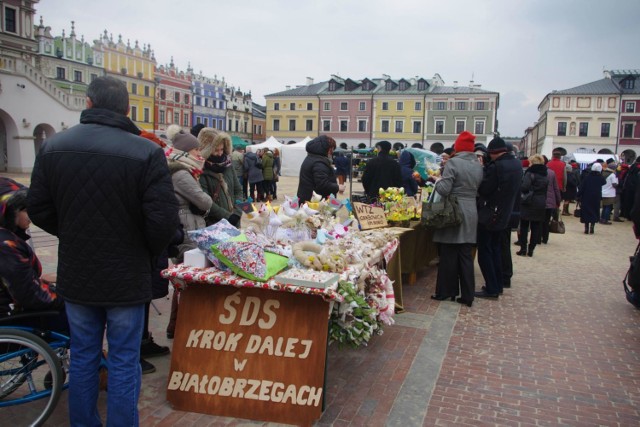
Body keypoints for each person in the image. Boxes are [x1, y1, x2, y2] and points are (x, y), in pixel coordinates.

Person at [27, 76, 180, 426]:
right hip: (126, 275)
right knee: (124, 359)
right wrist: (140, 248)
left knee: (83, 356)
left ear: (89, 104)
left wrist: (75, 233)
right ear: (126, 109)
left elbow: (38, 208)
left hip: (79, 271)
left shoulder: (54, 146)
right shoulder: (146, 151)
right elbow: (162, 220)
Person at [165, 125, 213, 340]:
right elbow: (204, 200)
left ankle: (177, 326)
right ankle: (186, 329)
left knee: (184, 280)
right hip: (187, 227)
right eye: (196, 151)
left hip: (187, 223)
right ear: (185, 152)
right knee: (188, 280)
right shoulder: (182, 173)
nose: (199, 155)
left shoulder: (182, 169)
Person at [1, 180, 66, 332]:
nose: (31, 215)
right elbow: (31, 295)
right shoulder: (6, 245)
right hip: (9, 319)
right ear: (8, 211)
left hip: (10, 311)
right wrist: (65, 298)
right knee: (81, 316)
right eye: (24, 210)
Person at [431, 131, 483, 307]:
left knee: (448, 253)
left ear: (458, 147)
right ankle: (468, 295)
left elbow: (445, 189)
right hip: (471, 210)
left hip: (453, 209)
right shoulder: (477, 164)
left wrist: (438, 180)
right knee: (465, 254)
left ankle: (446, 291)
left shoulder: (453, 162)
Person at [475, 136, 522, 299]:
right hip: (504, 213)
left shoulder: (496, 167)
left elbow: (485, 189)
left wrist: (482, 170)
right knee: (496, 249)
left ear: (494, 153)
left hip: (491, 214)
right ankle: (497, 284)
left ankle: (492, 288)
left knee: (485, 252)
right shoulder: (516, 164)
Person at [197, 128, 244, 227]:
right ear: (207, 150)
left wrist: (237, 213)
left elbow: (238, 190)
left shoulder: (228, 165)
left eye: (222, 149)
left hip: (234, 222)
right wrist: (227, 216)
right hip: (216, 225)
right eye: (216, 150)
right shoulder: (201, 171)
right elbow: (206, 201)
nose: (220, 153)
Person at [516, 154, 548, 257]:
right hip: (541, 201)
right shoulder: (545, 174)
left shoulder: (530, 173)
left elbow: (525, 187)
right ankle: (531, 249)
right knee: (536, 226)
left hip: (529, 201)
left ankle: (523, 248)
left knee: (524, 226)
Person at [297, 135, 342, 203]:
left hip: (309, 199)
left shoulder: (312, 157)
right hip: (315, 203)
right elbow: (322, 184)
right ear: (328, 149)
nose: (332, 152)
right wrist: (338, 187)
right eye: (332, 149)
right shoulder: (319, 162)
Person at [578, 163, 606, 234]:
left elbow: (582, 187)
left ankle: (586, 227)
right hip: (596, 197)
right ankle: (592, 226)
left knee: (586, 212)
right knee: (594, 211)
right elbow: (604, 182)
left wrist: (578, 195)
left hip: (586, 197)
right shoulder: (600, 178)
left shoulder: (587, 177)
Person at [540, 162, 561, 245]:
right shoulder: (552, 173)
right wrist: (558, 200)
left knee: (538, 220)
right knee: (546, 220)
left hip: (539, 200)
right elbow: (556, 188)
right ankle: (545, 238)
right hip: (549, 201)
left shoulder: (534, 172)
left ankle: (537, 238)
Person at [600, 159, 618, 224]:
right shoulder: (612, 175)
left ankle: (602, 218)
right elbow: (614, 184)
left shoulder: (603, 173)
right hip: (610, 193)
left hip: (603, 192)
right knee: (608, 207)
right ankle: (605, 219)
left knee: (604, 206)